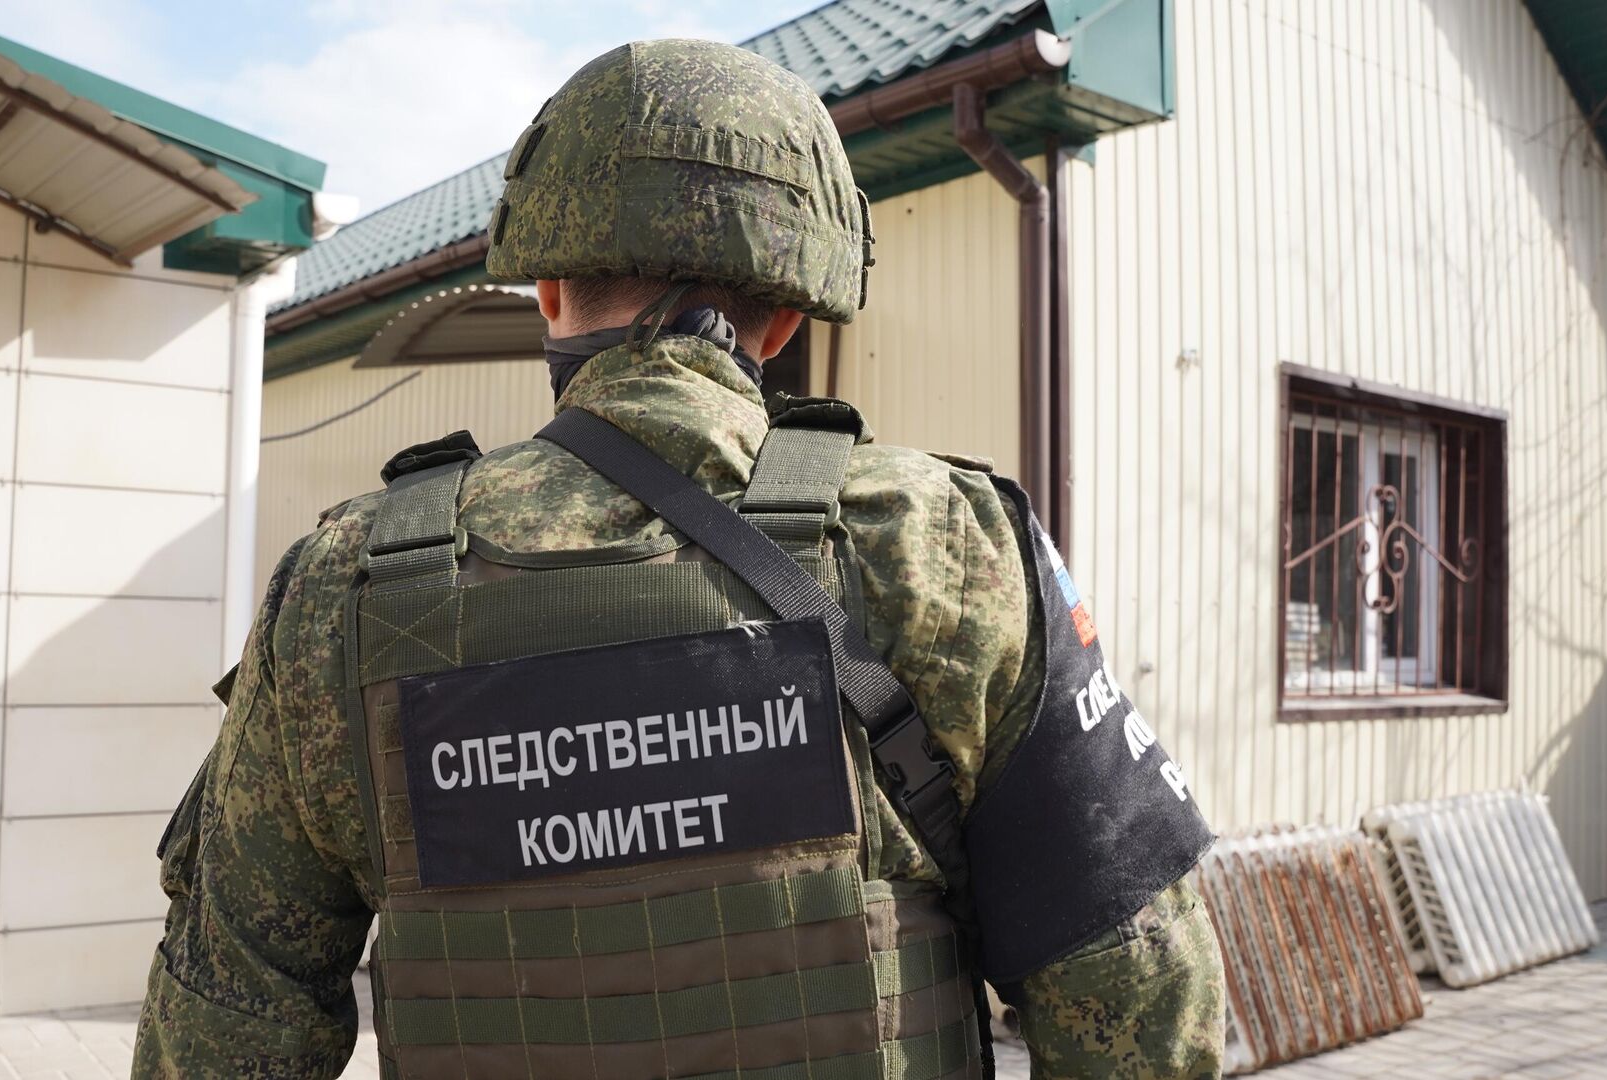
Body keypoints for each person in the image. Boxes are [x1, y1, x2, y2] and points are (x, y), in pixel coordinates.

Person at [134, 38, 1226, 1080]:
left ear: (548, 293)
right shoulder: (938, 542)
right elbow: (1141, 1007)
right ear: (784, 321)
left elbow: (224, 1025)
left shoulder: (344, 588)